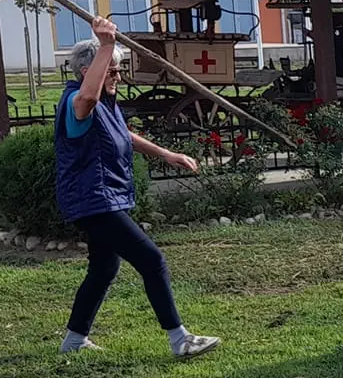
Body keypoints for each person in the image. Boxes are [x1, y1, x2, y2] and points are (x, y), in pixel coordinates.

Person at [56, 19, 220, 359]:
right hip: (94, 199)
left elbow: (123, 134)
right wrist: (105, 45)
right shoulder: (77, 102)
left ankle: (74, 340)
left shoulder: (106, 105)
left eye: (118, 70)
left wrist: (166, 154)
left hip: (104, 197)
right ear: (88, 72)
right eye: (113, 71)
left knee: (104, 268)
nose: (119, 77)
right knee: (152, 260)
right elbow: (87, 98)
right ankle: (179, 339)